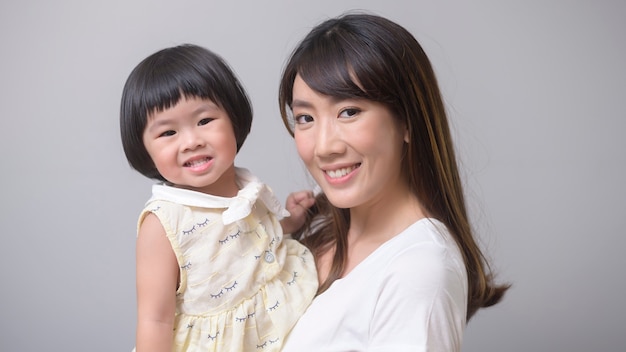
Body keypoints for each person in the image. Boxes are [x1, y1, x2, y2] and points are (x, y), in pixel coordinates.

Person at [278, 13, 510, 351]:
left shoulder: (419, 269)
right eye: (306, 118)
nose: (325, 146)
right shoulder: (317, 227)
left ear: (407, 121)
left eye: (349, 111)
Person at [119, 44, 317, 352]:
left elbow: (255, 239)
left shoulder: (243, 182)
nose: (191, 141)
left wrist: (292, 220)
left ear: (233, 119)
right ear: (144, 148)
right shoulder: (164, 223)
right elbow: (154, 320)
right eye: (168, 133)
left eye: (204, 121)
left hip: (282, 311)